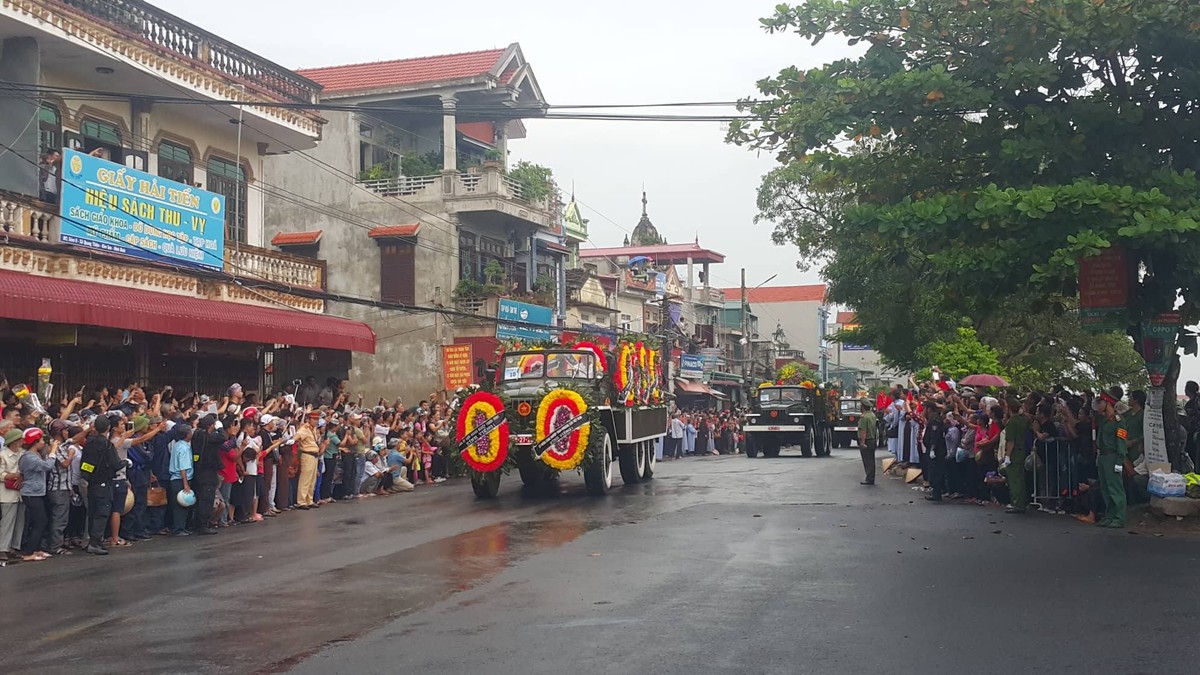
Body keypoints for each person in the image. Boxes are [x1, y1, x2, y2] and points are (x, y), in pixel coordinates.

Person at [79, 415, 124, 554]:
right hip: (104, 482)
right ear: (108, 428)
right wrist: (125, 463)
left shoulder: (89, 443)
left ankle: (92, 541)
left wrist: (90, 475)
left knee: (92, 512)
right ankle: (95, 543)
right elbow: (116, 464)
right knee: (102, 513)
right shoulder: (107, 445)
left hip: (92, 483)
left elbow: (85, 465)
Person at [18, 428, 57, 562]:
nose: (43, 443)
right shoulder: (29, 457)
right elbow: (47, 466)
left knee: (40, 521)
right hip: (31, 493)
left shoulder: (34, 455)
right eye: (41, 440)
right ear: (35, 442)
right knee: (40, 522)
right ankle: (29, 552)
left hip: (37, 492)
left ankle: (35, 548)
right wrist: (53, 452)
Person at [1095, 387, 1129, 528]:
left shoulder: (1118, 421)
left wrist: (1120, 460)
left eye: (1101, 402)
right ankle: (1110, 515)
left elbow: (1121, 441)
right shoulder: (1104, 420)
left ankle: (1119, 517)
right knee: (1105, 488)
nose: (1099, 405)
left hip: (1113, 456)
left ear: (1108, 403)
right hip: (1103, 456)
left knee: (1115, 488)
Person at [43, 420, 79, 555]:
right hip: (58, 488)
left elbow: (76, 438)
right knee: (59, 518)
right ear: (59, 432)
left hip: (65, 487)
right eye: (64, 430)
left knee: (62, 518)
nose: (67, 432)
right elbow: (64, 464)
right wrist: (70, 455)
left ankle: (58, 542)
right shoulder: (55, 446)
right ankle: (55, 546)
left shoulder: (64, 445)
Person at [190, 414, 223, 535]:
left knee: (200, 499)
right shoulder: (209, 438)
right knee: (206, 500)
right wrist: (220, 428)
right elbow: (223, 437)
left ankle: (198, 524)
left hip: (199, 470)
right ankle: (203, 525)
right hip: (207, 472)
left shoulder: (197, 435)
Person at [1002, 397, 1031, 514]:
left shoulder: (1012, 422)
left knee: (1014, 480)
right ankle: (1021, 502)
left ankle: (1018, 503)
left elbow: (1010, 441)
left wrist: (1007, 456)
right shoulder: (1024, 420)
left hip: (1015, 453)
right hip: (1023, 450)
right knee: (1020, 479)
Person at [168, 425, 194, 536]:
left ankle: (181, 526)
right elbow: (183, 467)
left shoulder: (177, 445)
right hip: (180, 479)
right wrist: (186, 484)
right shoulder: (183, 448)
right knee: (181, 505)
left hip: (176, 479)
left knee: (181, 505)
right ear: (187, 434)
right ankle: (179, 528)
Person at [294, 411, 321, 510]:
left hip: (314, 455)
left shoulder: (312, 429)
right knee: (305, 479)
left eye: (317, 419)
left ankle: (309, 499)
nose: (316, 421)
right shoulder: (304, 429)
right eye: (314, 419)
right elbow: (296, 437)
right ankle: (301, 501)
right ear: (309, 419)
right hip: (307, 454)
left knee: (312, 479)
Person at [857, 400, 877, 485]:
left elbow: (863, 431)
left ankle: (869, 478)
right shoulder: (872, 415)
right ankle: (871, 477)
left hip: (867, 441)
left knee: (867, 460)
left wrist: (862, 442)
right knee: (871, 460)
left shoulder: (864, 417)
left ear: (863, 407)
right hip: (873, 439)